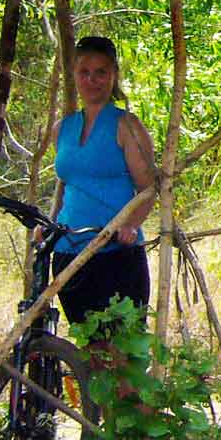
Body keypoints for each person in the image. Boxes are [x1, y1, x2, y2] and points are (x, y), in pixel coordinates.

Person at [50, 36, 157, 330]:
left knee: (122, 355)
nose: (92, 80)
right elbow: (66, 185)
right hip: (69, 255)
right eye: (84, 72)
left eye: (101, 72)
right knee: (89, 351)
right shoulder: (63, 128)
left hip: (115, 254)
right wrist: (48, 226)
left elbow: (148, 189)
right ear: (73, 75)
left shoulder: (126, 125)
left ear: (113, 75)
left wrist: (130, 225)